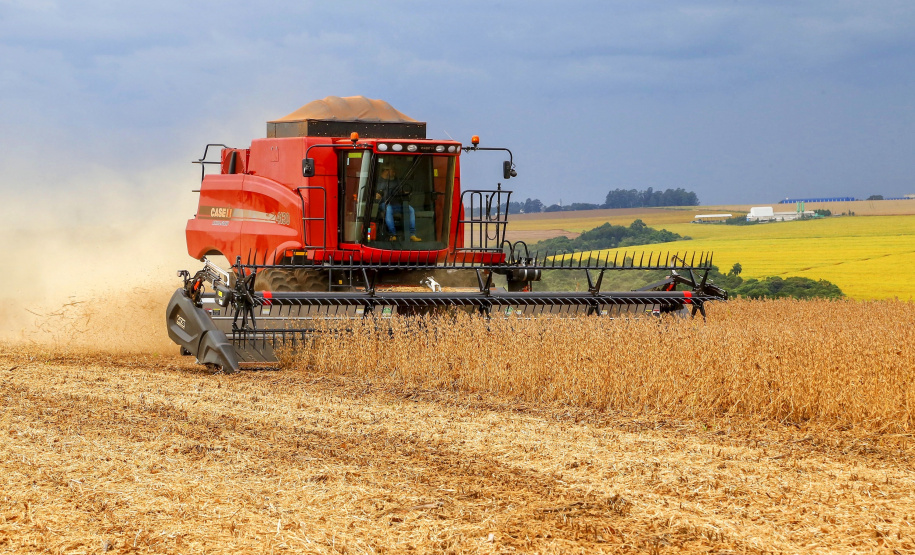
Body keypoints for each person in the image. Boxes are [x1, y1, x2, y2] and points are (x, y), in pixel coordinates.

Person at [375, 162, 421, 241]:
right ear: (386, 171)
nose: (394, 173)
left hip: (396, 204)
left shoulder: (396, 180)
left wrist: (404, 193)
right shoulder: (377, 181)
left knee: (410, 209)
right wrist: (376, 196)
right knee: (388, 208)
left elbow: (400, 191)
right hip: (383, 204)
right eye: (392, 170)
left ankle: (412, 234)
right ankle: (393, 234)